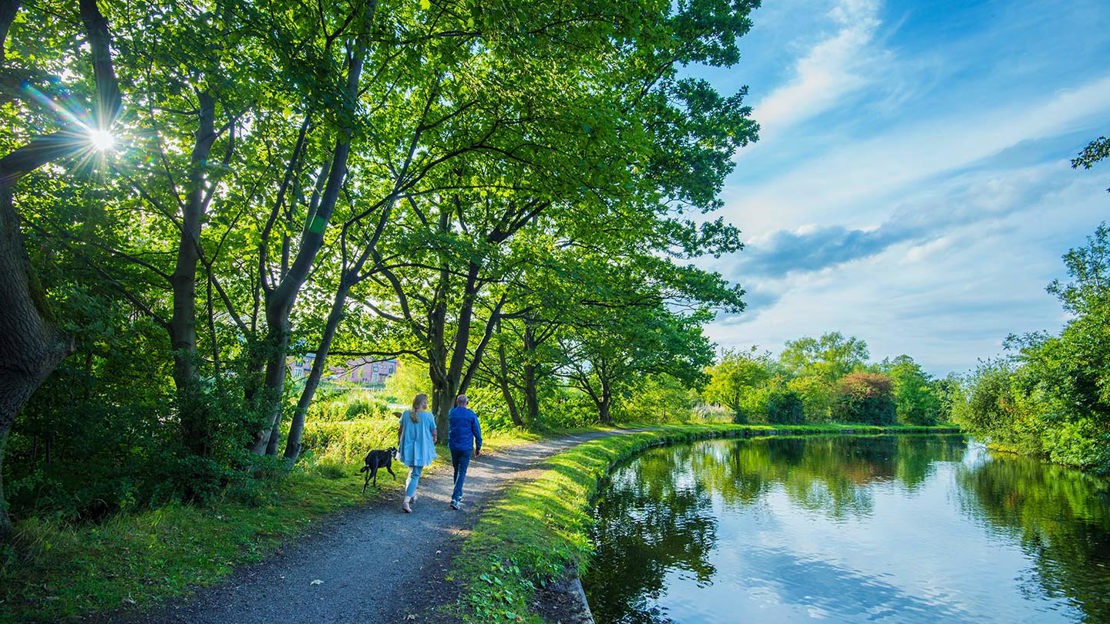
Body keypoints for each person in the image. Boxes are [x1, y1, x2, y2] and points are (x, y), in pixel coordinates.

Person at [396, 393, 436, 513]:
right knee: (415, 474)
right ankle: (406, 501)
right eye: (426, 401)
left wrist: (400, 443)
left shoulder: (406, 414)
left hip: (408, 447)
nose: (427, 403)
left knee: (412, 471)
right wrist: (434, 439)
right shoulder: (428, 416)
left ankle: (412, 494)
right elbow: (434, 432)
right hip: (421, 448)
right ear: (423, 403)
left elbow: (400, 431)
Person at [447, 393, 482, 510]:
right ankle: (455, 498)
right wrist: (478, 447)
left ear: (457, 402)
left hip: (454, 447)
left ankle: (458, 494)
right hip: (466, 447)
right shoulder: (471, 415)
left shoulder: (451, 413)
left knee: (457, 470)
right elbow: (477, 432)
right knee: (462, 472)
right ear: (466, 403)